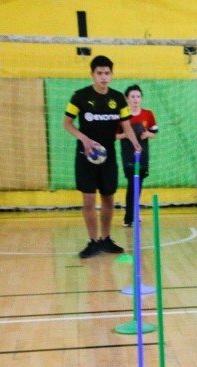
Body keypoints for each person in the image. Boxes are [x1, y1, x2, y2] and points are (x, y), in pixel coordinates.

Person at [63, 55, 141, 258]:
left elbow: (126, 126)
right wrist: (84, 139)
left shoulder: (118, 98)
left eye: (107, 73)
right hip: (85, 156)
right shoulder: (79, 96)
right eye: (99, 73)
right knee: (89, 199)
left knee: (108, 198)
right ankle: (92, 241)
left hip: (108, 158)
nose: (104, 77)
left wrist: (134, 142)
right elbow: (67, 124)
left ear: (111, 75)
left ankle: (106, 239)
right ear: (92, 74)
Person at [116, 84, 158, 227]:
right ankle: (130, 215)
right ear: (127, 99)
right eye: (132, 96)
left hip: (142, 154)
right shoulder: (122, 115)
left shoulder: (148, 114)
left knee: (138, 184)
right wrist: (128, 134)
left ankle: (132, 212)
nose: (135, 99)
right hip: (128, 154)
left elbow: (154, 134)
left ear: (141, 99)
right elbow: (116, 136)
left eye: (138, 96)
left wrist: (147, 134)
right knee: (132, 183)